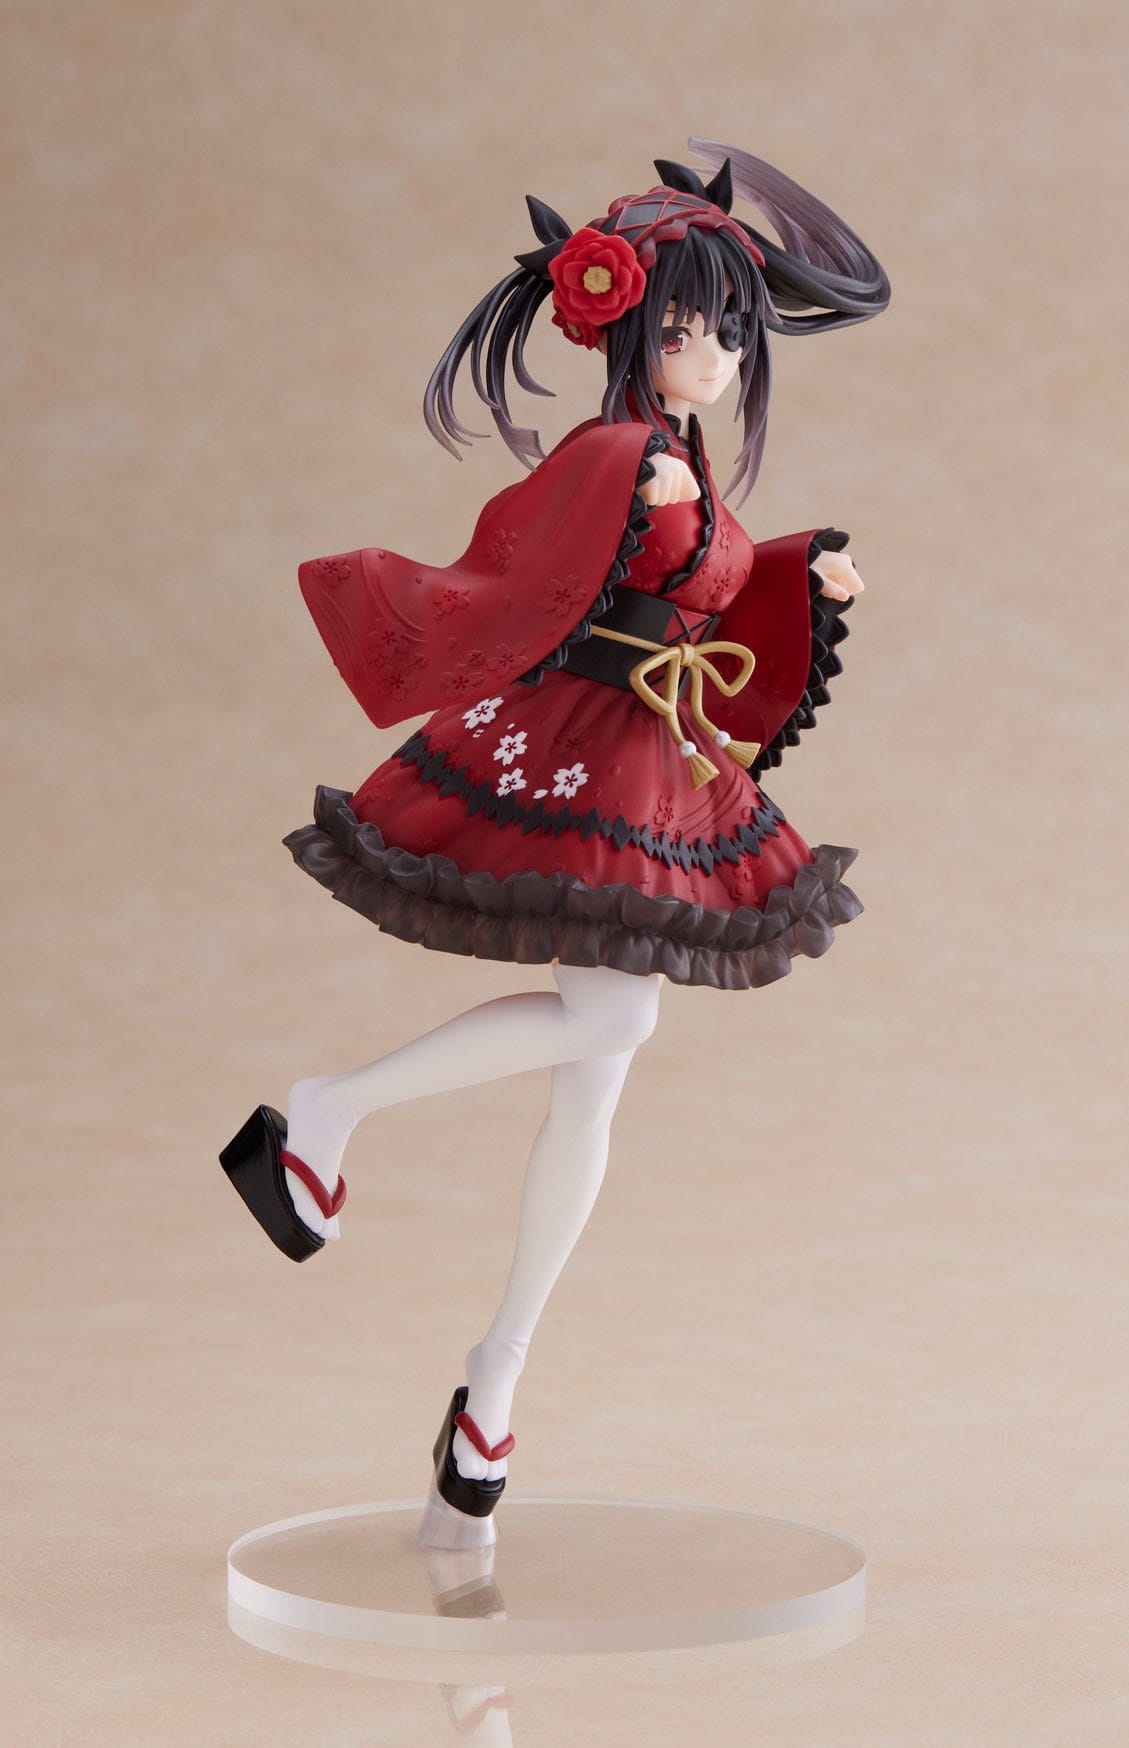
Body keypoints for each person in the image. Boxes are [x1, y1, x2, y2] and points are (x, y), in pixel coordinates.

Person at [220, 137, 891, 1548]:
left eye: (730, 332)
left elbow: (699, 587)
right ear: (628, 325)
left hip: (654, 750)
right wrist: (651, 526)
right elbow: (533, 573)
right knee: (616, 1024)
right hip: (591, 744)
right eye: (688, 325)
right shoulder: (617, 455)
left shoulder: (674, 460)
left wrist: (797, 566)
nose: (713, 353)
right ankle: (328, 1112)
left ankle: (493, 1388)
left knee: (598, 1079)